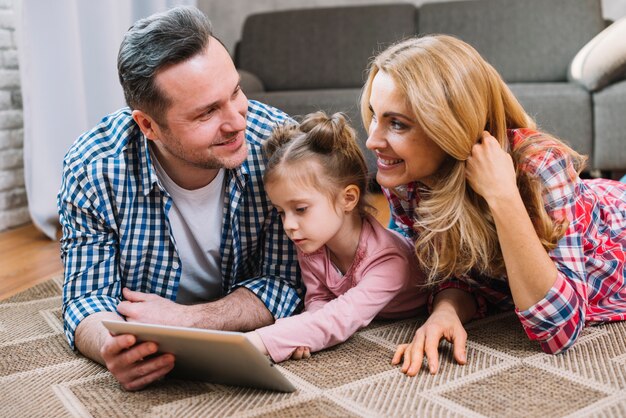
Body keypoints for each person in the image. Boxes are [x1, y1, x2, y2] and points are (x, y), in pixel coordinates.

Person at [57, 6, 302, 391]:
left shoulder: (278, 147)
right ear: (148, 125)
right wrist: (111, 347)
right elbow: (86, 296)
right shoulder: (93, 168)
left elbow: (286, 283)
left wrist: (188, 320)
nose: (237, 121)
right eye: (207, 113)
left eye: (235, 91)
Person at [360, 35, 626, 376]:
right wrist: (446, 310)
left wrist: (502, 195)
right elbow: (457, 274)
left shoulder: (538, 165)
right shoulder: (407, 180)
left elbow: (559, 330)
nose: (372, 140)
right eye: (374, 115)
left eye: (397, 123)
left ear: (449, 126)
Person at [244, 111, 428, 362]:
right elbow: (320, 298)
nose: (289, 225)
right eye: (281, 212)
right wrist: (305, 329)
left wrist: (255, 341)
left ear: (348, 199)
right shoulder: (311, 244)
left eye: (300, 209)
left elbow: (341, 317)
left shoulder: (389, 261)